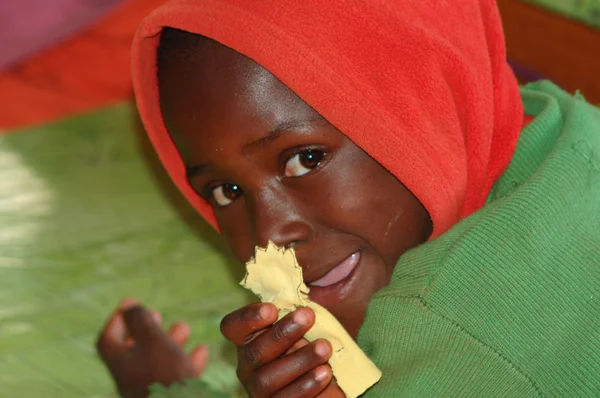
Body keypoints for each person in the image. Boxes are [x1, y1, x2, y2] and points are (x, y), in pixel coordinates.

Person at [96, 0, 600, 397]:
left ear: (421, 102)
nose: (270, 234)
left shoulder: (448, 334)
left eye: (306, 159)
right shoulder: (562, 129)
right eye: (226, 191)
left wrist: (167, 389)